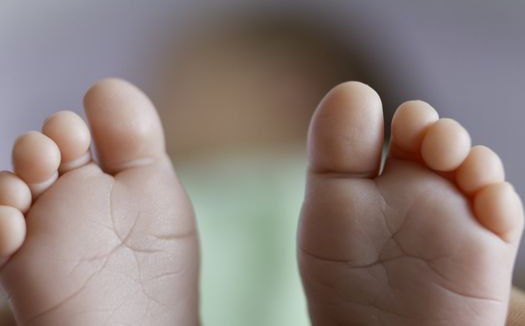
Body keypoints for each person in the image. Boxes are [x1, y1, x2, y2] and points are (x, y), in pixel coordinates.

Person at [0, 78, 523, 326]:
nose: (169, 94)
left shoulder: (130, 203)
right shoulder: (416, 208)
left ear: (287, 93)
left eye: (185, 81)